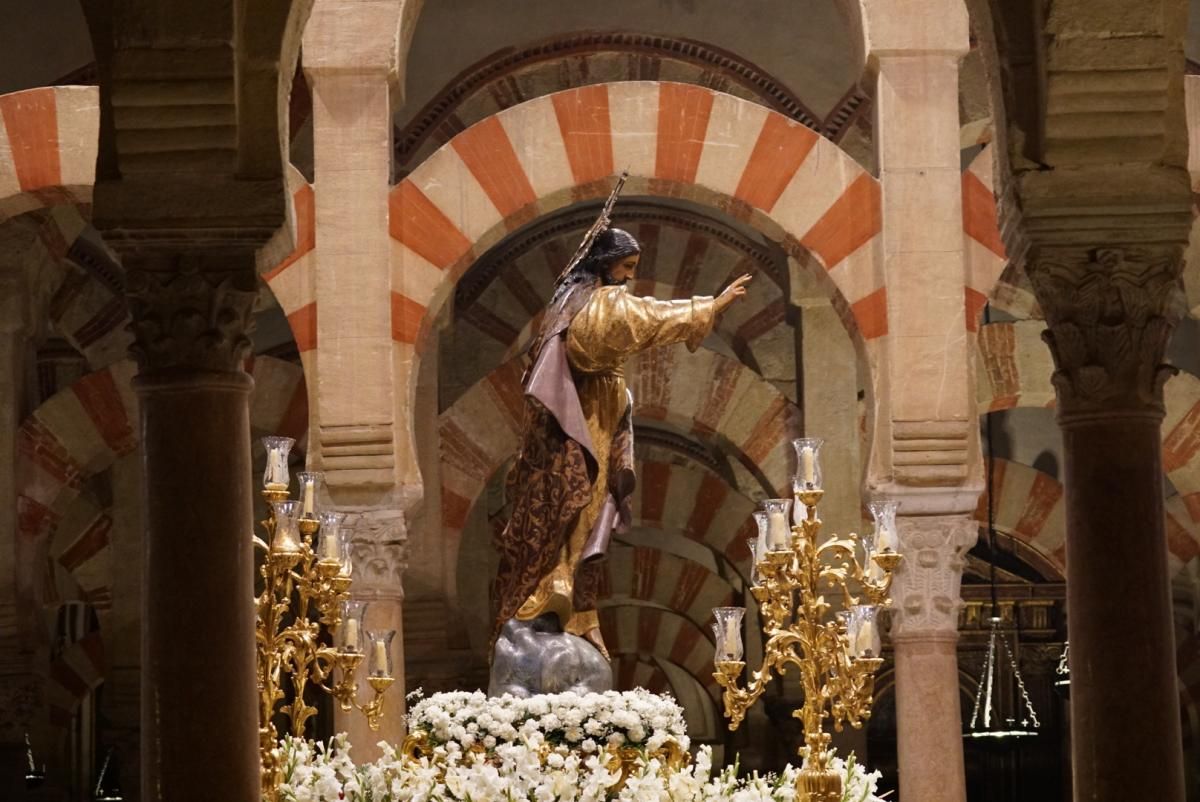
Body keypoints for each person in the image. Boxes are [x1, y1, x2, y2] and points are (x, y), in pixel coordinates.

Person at [492, 225, 751, 659]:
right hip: (585, 419)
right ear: (606, 262)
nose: (629, 276)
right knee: (583, 504)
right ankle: (560, 589)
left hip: (584, 419)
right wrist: (711, 305)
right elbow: (644, 318)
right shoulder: (598, 304)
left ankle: (565, 592)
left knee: (580, 509)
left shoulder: (568, 303)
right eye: (626, 267)